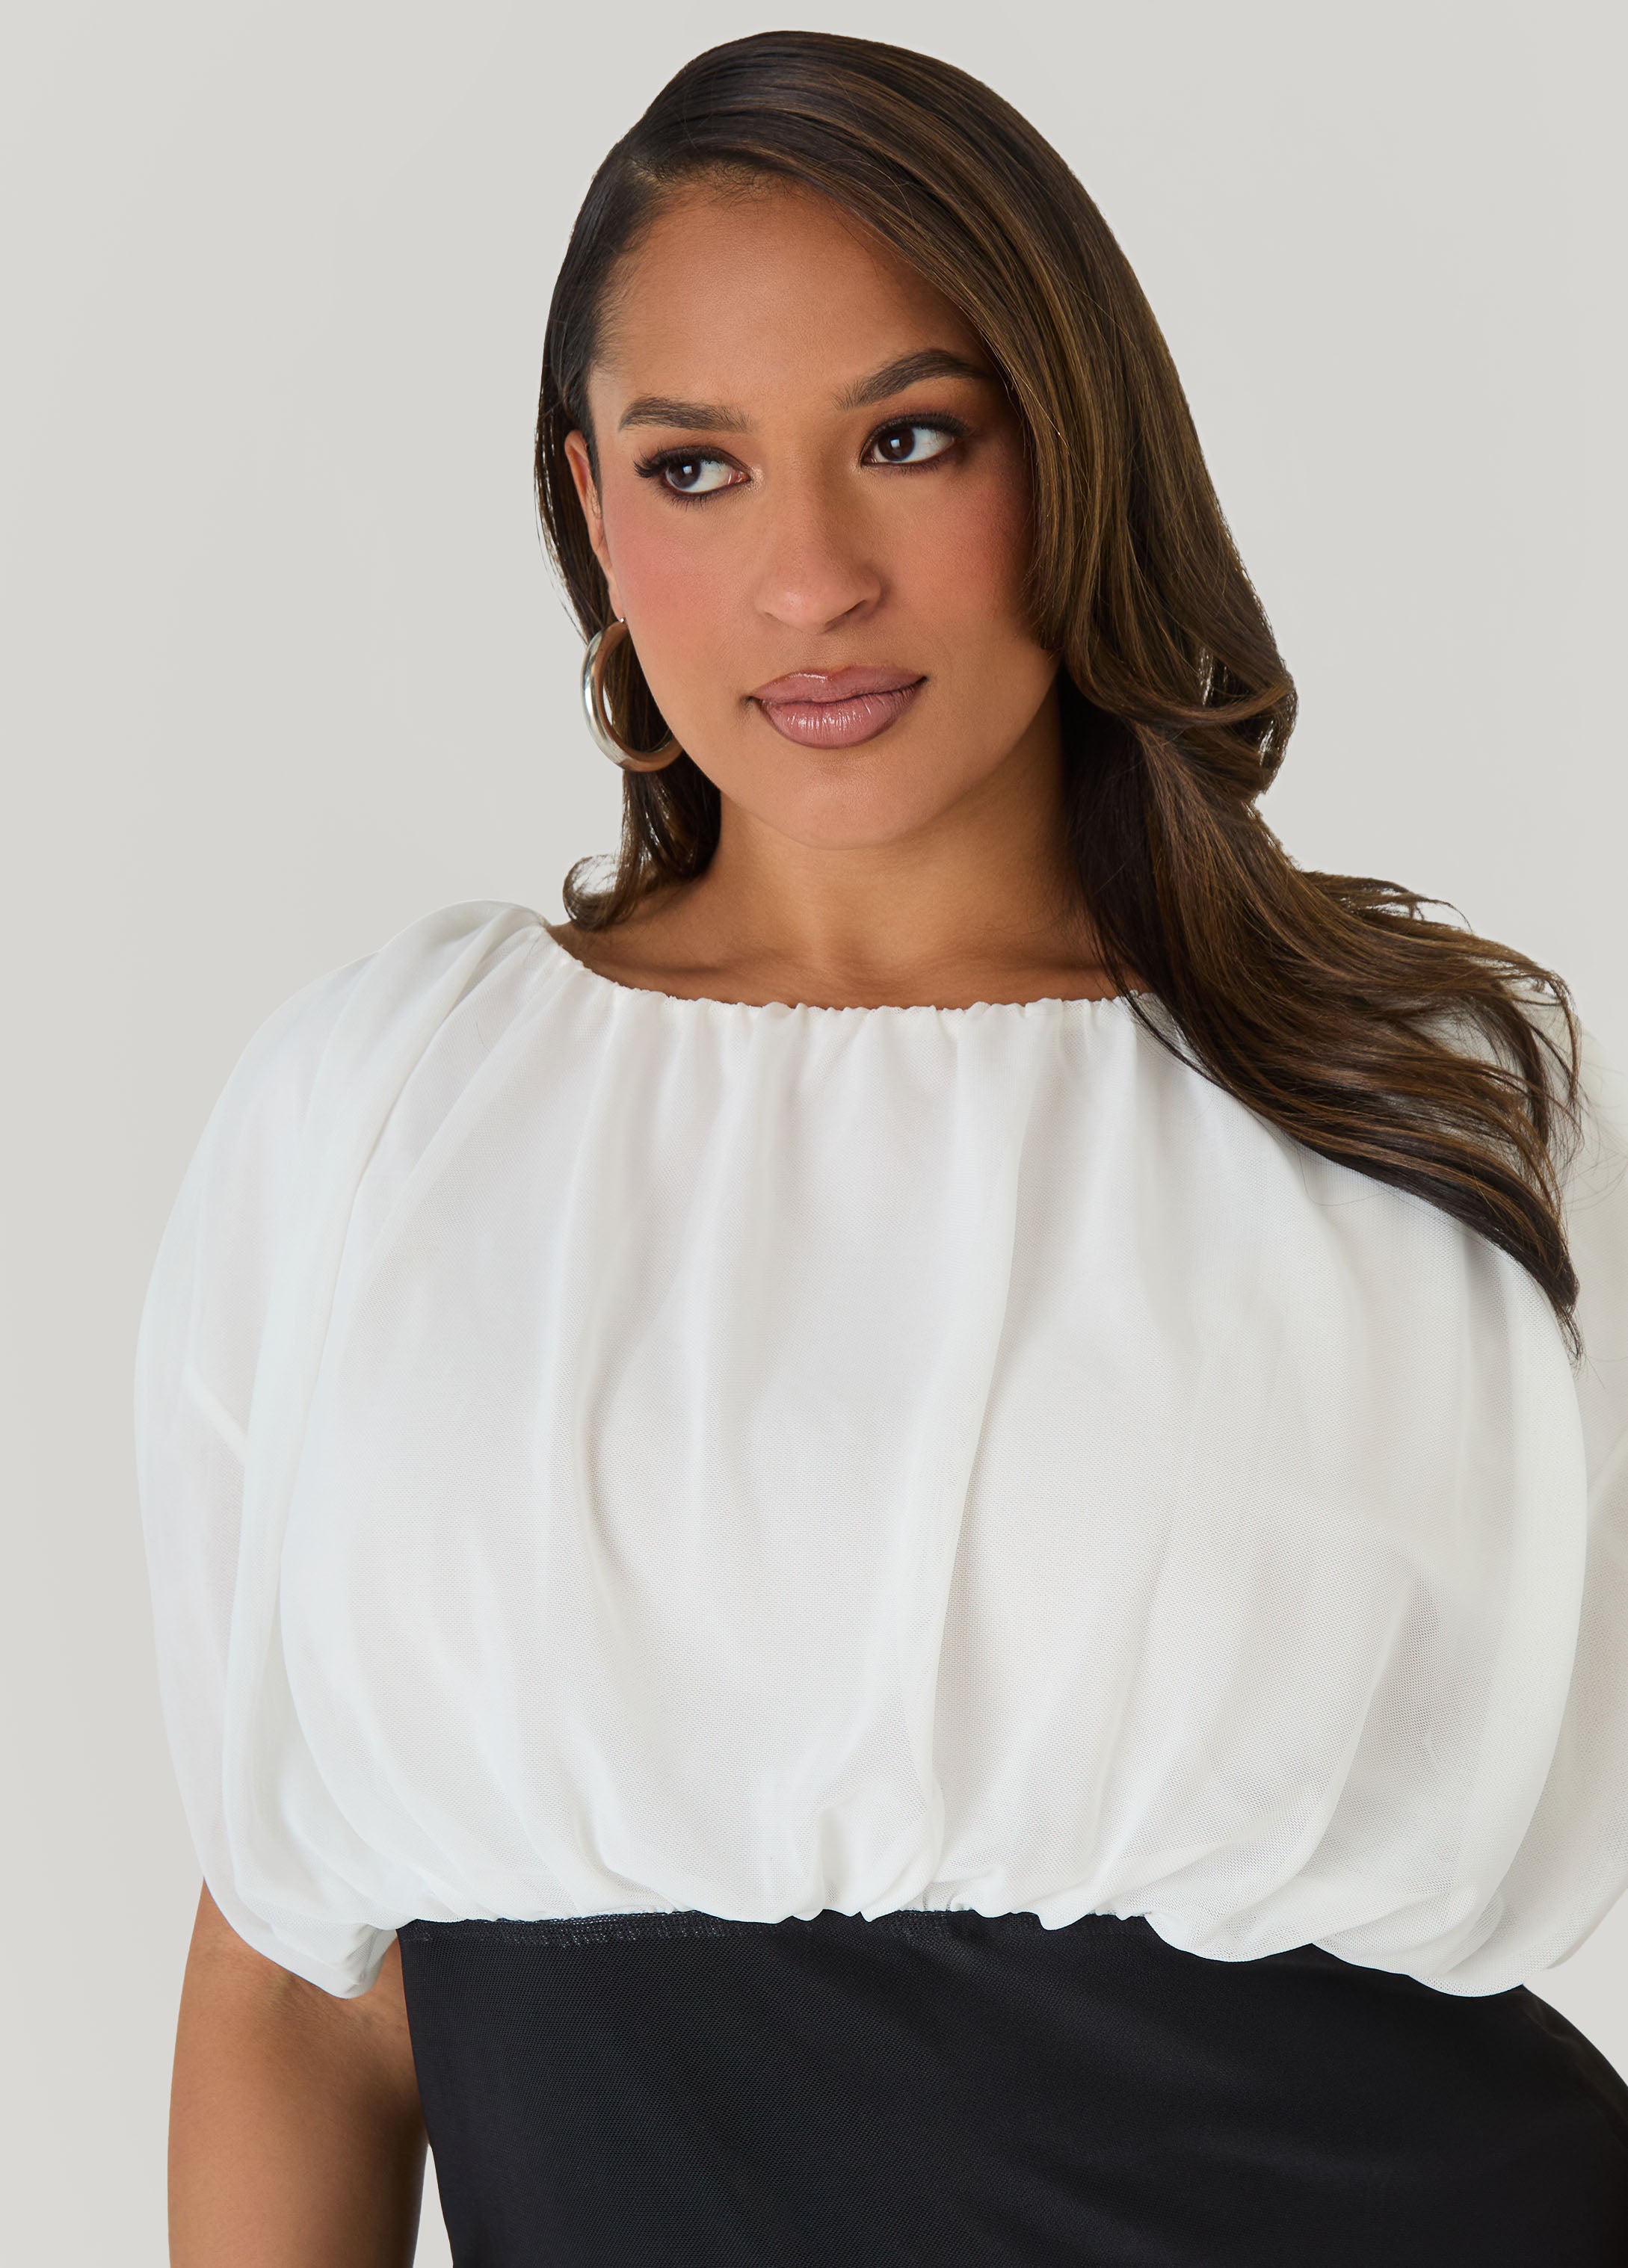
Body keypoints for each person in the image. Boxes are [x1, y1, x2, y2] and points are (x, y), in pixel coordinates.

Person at [135, 30, 1628, 2267]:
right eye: (698, 467)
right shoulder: (383, 1109)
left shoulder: (1422, 1099)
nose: (810, 577)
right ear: (591, 509)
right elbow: (299, 1977)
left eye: (911, 439)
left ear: (1076, 457)